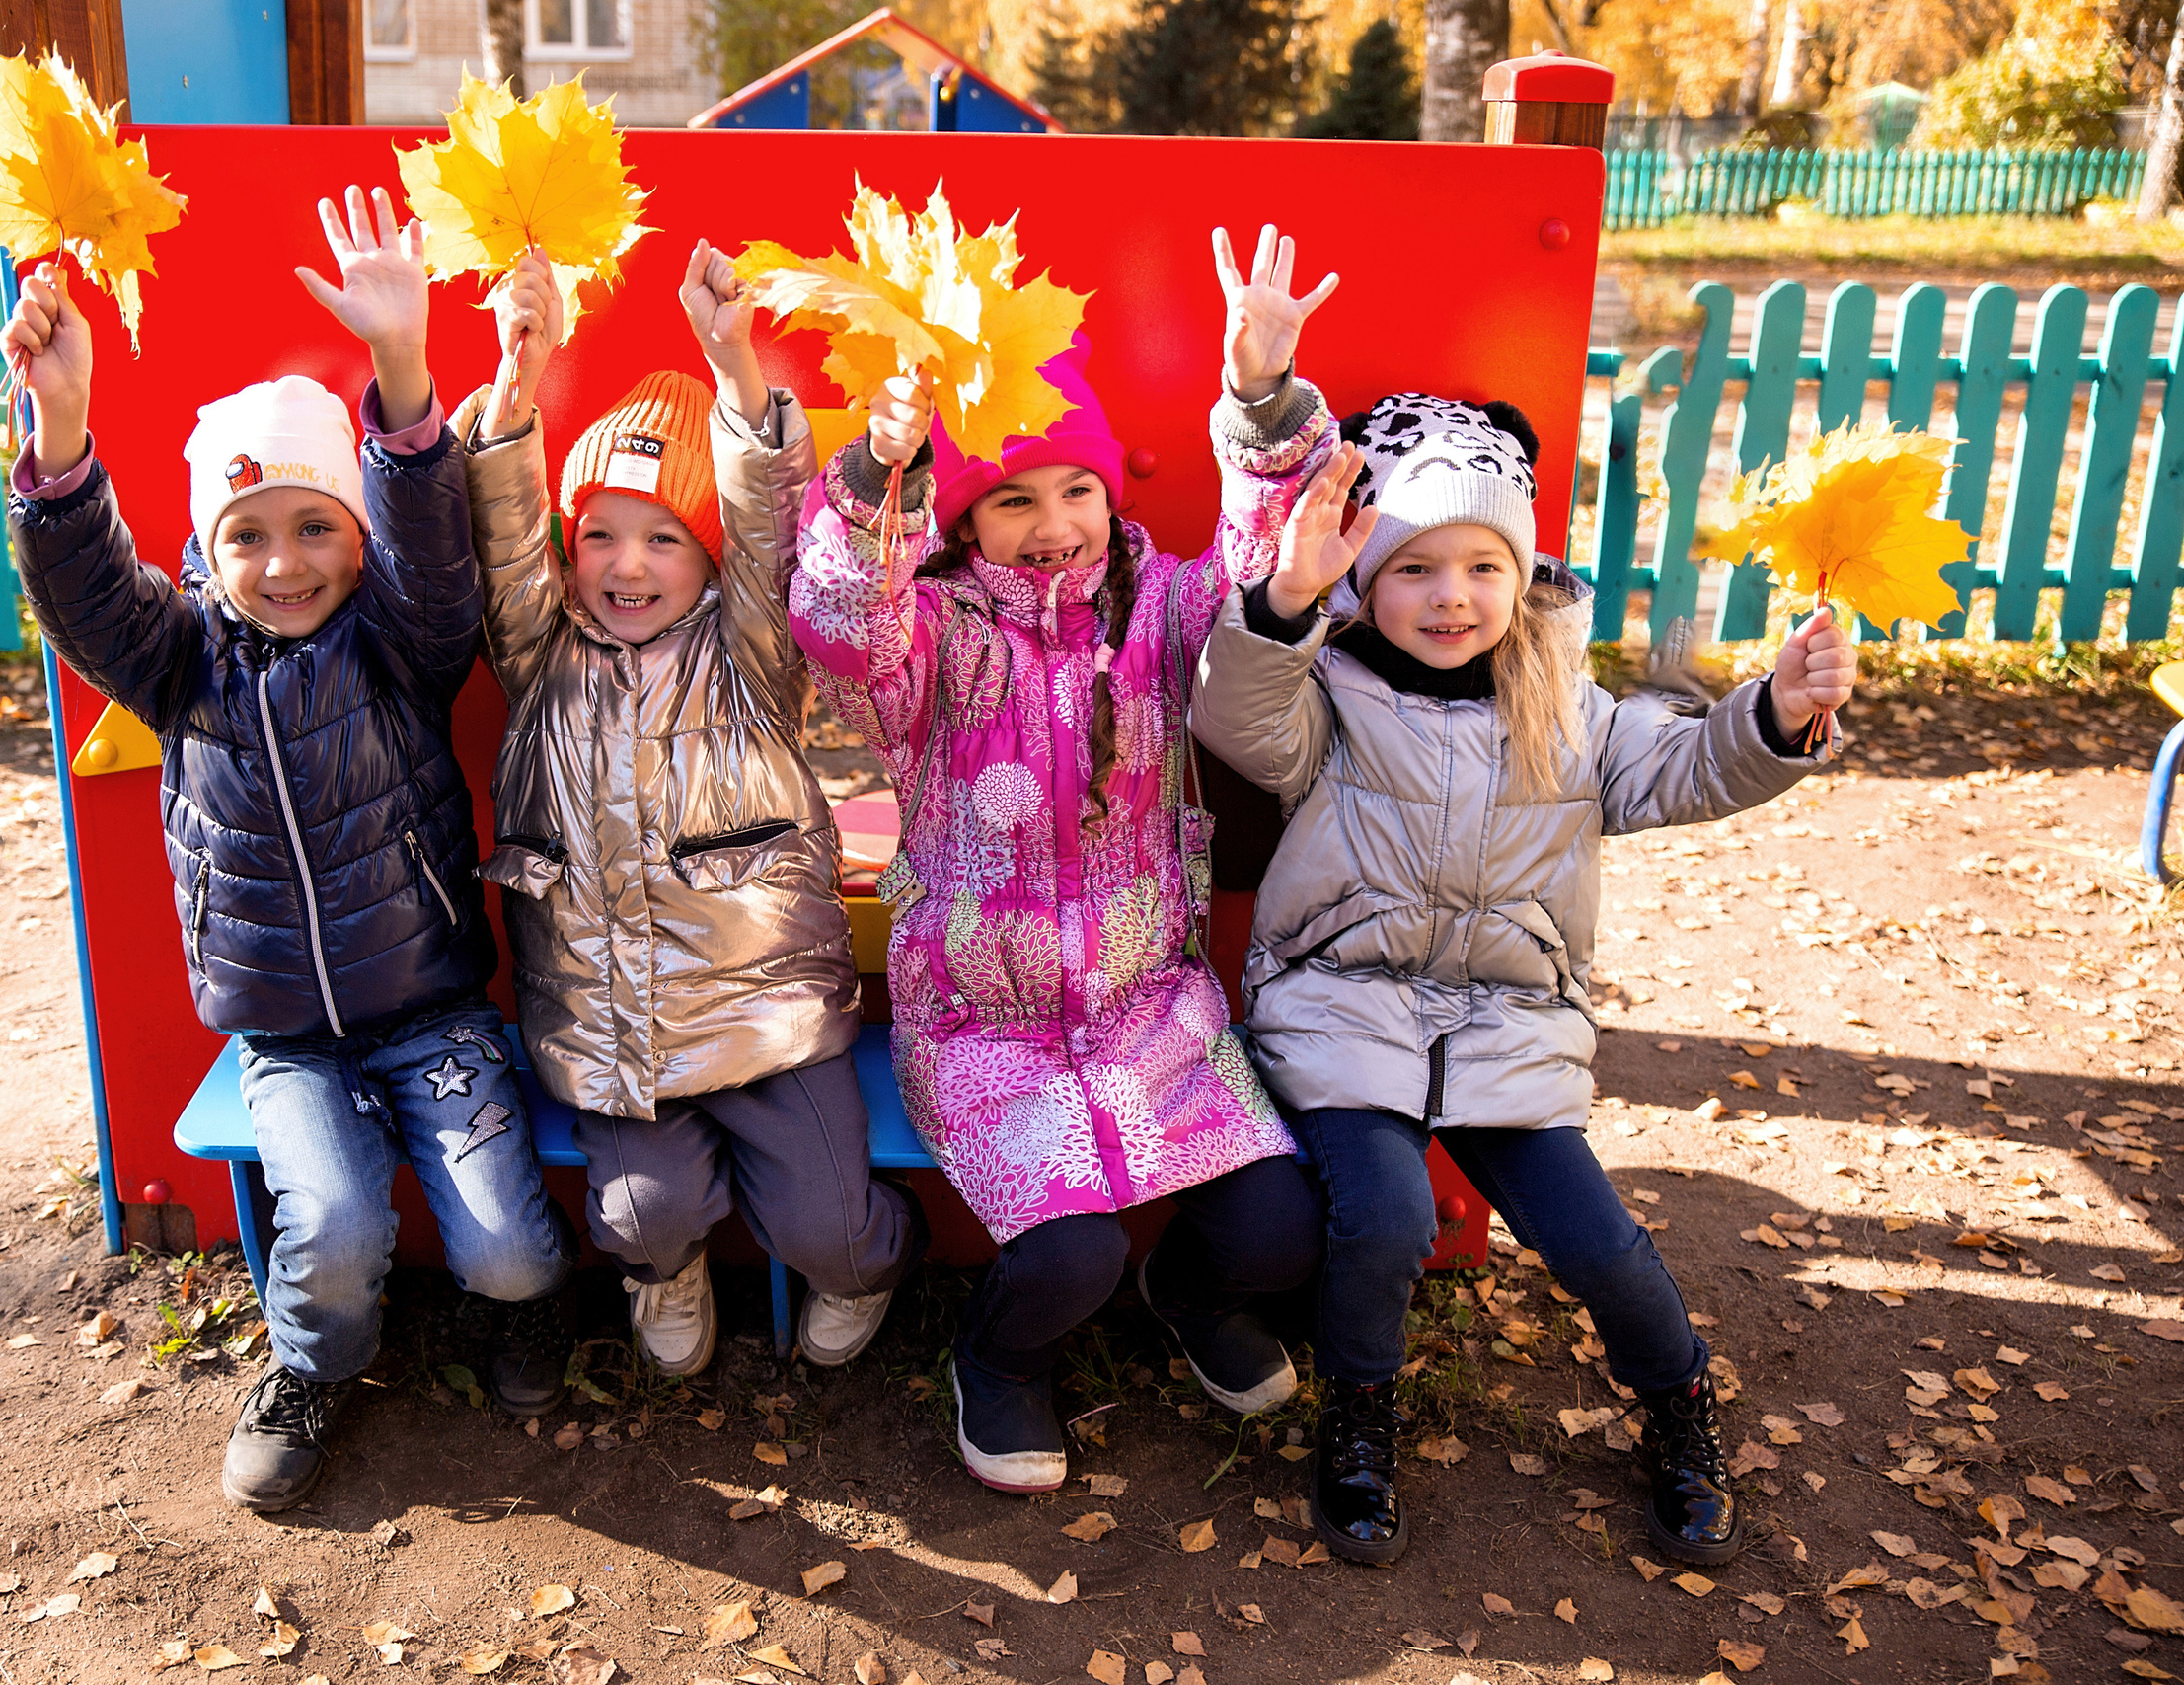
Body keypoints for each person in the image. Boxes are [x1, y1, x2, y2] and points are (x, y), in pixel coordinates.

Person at [1187, 391, 1857, 1567]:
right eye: (1415, 569)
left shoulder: (1569, 708)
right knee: (1385, 1215)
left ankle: (1681, 1402)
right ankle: (1358, 1415)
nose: (1452, 597)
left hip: (1509, 1015)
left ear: (1523, 571)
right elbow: (1236, 717)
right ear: (1365, 581)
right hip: (1345, 1009)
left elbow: (1691, 768)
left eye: (1483, 566)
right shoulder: (1328, 697)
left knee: (1595, 1242)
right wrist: (1286, 600)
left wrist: (1778, 715)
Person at [2, 188, 575, 1512]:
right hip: (284, 1032)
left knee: (501, 1244)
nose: (284, 561)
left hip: (434, 1010)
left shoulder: (399, 642)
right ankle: (314, 1365)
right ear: (207, 552)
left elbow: (436, 552)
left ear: (358, 541)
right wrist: (65, 426)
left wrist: (401, 366)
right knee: (331, 1235)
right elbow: (84, 585)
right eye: (247, 535)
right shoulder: (179, 660)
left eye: (317, 526)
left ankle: (527, 1312)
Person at [788, 228, 1337, 1494]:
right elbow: (839, 620)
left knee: (1277, 1226)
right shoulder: (933, 631)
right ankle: (999, 1363)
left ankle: (1190, 1297)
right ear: (967, 515)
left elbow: (1263, 577)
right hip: (982, 1018)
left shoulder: (1160, 604)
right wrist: (880, 464)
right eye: (1013, 499)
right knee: (1064, 1254)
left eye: (1074, 490)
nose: (1051, 525)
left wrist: (1258, 398)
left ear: (1109, 492)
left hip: (1150, 1006)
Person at [459, 240, 919, 1377]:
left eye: (665, 536)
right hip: (613, 1027)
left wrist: (733, 365)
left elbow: (771, 524)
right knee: (639, 1218)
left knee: (829, 1230)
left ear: (708, 563)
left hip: (766, 1017)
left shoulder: (751, 654)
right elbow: (502, 540)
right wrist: (516, 382)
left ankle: (868, 1267)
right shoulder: (540, 650)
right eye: (601, 535)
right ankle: (669, 1274)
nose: (627, 564)